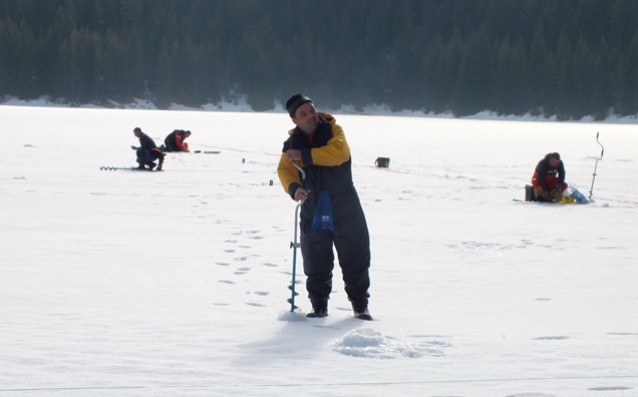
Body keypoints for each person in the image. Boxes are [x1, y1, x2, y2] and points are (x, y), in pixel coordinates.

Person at [277, 93, 372, 320]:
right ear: (294, 120)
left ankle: (360, 306)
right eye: (303, 114)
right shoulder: (291, 144)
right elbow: (284, 170)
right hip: (313, 204)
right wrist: (293, 188)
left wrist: (305, 156)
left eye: (311, 110)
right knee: (315, 258)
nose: (311, 116)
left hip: (344, 203)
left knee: (354, 256)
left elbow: (338, 154)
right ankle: (319, 306)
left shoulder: (333, 131)